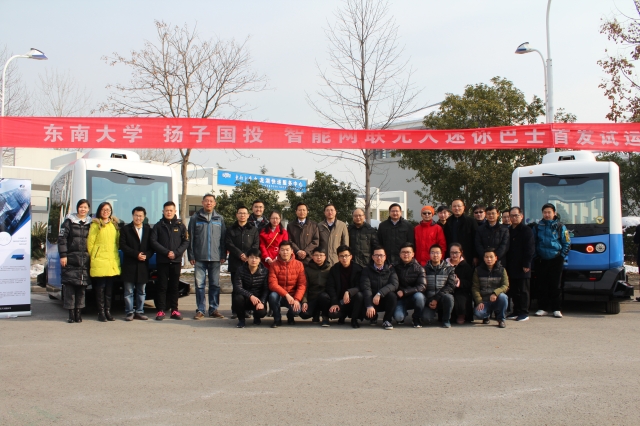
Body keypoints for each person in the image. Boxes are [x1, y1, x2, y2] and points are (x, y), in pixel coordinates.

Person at [188, 194, 226, 320]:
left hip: (215, 257)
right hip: (199, 257)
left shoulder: (219, 218)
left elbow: (223, 238)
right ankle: (200, 310)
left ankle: (213, 309)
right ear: (202, 202)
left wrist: (223, 254)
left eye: (211, 201)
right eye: (206, 201)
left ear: (215, 203)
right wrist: (191, 255)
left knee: (215, 285)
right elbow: (190, 238)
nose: (208, 203)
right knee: (200, 285)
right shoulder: (195, 218)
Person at [151, 201, 189, 321]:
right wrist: (166, 252)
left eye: (171, 210)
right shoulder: (158, 226)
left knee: (174, 286)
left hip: (176, 261)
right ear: (163, 211)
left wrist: (176, 253)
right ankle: (161, 310)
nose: (169, 212)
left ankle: (174, 310)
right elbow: (153, 241)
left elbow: (186, 241)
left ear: (175, 211)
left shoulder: (181, 226)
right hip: (162, 260)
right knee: (162, 286)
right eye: (166, 210)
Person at [532, 203, 570, 318]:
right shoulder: (537, 227)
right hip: (541, 260)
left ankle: (556, 308)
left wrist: (561, 256)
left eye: (549, 212)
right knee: (541, 284)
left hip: (556, 259)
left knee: (556, 285)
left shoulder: (560, 227)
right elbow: (533, 243)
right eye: (545, 212)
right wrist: (536, 256)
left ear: (554, 213)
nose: (547, 214)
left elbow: (567, 243)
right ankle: (542, 308)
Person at [58, 199, 91, 323]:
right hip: (71, 258)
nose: (83, 209)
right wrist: (63, 255)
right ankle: (71, 314)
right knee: (70, 288)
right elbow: (62, 239)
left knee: (81, 288)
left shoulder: (90, 223)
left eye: (85, 207)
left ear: (88, 209)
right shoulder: (69, 222)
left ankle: (78, 313)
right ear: (77, 208)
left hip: (84, 260)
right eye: (81, 207)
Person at [87, 201, 121, 322]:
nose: (106, 212)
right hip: (99, 260)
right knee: (100, 288)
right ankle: (101, 312)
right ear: (99, 211)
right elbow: (90, 243)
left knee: (109, 289)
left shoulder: (114, 225)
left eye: (108, 210)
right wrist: (95, 256)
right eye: (103, 210)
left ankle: (108, 311)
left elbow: (117, 243)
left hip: (111, 260)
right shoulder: (96, 224)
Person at [119, 206, 153, 321]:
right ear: (132, 216)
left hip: (143, 265)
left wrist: (146, 255)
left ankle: (139, 311)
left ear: (144, 217)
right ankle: (129, 312)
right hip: (130, 264)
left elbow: (152, 247)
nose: (138, 218)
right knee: (128, 291)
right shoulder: (126, 229)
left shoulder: (148, 230)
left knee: (141, 291)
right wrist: (136, 254)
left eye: (140, 216)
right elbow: (123, 246)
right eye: (136, 215)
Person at [225, 206, 260, 319]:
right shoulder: (230, 229)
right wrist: (240, 254)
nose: (242, 215)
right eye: (240, 213)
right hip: (235, 262)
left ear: (248, 215)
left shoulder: (253, 230)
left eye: (244, 213)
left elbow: (256, 244)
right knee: (236, 287)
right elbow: (229, 244)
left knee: (248, 287)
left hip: (249, 263)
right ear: (237, 215)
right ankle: (235, 311)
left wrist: (248, 256)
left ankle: (246, 310)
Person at [505, 207, 535, 322]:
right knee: (514, 289)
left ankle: (524, 312)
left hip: (523, 264)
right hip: (511, 264)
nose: (514, 218)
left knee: (523, 290)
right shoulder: (508, 230)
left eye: (516, 215)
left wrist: (527, 263)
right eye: (511, 216)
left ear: (521, 216)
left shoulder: (526, 230)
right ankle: (516, 311)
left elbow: (530, 248)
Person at [268, 240, 307, 327]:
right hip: (280, 295)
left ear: (292, 251)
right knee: (272, 296)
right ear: (279, 251)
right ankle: (277, 319)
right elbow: (272, 284)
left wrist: (297, 299)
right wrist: (286, 294)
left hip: (293, 295)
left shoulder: (299, 264)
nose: (285, 252)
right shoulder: (274, 265)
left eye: (287, 250)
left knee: (297, 310)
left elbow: (302, 285)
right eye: (282, 250)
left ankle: (290, 316)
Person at [360, 246, 399, 330]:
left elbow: (394, 284)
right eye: (376, 255)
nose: (379, 258)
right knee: (368, 316)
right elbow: (366, 288)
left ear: (385, 257)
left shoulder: (391, 269)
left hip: (384, 298)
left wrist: (380, 293)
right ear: (372, 257)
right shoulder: (366, 270)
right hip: (372, 298)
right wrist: (369, 305)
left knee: (392, 296)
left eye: (381, 255)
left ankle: (387, 320)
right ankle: (374, 317)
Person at [326, 245, 364, 328]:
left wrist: (349, 292)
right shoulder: (334, 269)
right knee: (333, 314)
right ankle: (342, 315)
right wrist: (334, 303)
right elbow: (330, 287)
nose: (344, 258)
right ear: (338, 258)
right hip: (340, 300)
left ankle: (354, 319)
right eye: (341, 256)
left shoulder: (358, 269)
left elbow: (360, 286)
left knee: (360, 295)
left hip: (353, 300)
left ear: (351, 256)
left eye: (346, 255)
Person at [472, 247, 510, 328]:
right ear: (483, 258)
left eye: (491, 257)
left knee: (503, 297)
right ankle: (486, 316)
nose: (489, 259)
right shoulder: (478, 270)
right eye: (486, 257)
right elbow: (475, 288)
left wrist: (495, 293)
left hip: (497, 299)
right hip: (484, 300)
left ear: (496, 258)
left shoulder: (502, 270)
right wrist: (479, 301)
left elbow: (505, 285)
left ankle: (501, 319)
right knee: (479, 313)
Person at [392, 243, 427, 328]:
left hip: (413, 296)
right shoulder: (394, 267)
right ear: (400, 254)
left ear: (413, 254)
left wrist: (405, 292)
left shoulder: (419, 268)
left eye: (408, 252)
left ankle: (416, 318)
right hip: (399, 298)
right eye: (403, 252)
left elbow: (422, 286)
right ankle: (403, 313)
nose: (405, 254)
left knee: (420, 297)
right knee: (398, 317)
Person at [232, 248, 269, 328]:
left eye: (256, 258)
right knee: (237, 298)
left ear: (260, 260)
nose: (254, 260)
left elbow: (266, 289)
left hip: (258, 299)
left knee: (261, 312)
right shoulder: (240, 270)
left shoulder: (265, 271)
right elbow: (237, 287)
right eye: (251, 257)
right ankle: (241, 320)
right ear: (247, 258)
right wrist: (250, 296)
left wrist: (262, 302)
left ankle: (257, 317)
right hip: (245, 298)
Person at [423, 244, 456, 328]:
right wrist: (429, 301)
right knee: (426, 319)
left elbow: (450, 286)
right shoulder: (423, 269)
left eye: (437, 253)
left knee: (449, 297)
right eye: (432, 253)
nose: (435, 255)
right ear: (429, 254)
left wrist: (436, 299)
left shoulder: (449, 269)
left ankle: (446, 320)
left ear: (441, 254)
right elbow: (422, 287)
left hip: (442, 298)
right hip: (429, 299)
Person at [301, 248, 332, 326]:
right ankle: (315, 313)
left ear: (325, 257)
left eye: (321, 255)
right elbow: (304, 286)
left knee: (323, 297)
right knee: (304, 314)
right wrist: (304, 301)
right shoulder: (307, 270)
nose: (319, 257)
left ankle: (325, 317)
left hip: (325, 297)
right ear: (312, 256)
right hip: (312, 297)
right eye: (316, 255)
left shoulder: (330, 269)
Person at [447, 243, 475, 325]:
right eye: (452, 252)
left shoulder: (466, 266)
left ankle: (461, 315)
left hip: (461, 290)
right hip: (447, 289)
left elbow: (470, 282)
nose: (454, 255)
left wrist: (458, 282)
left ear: (461, 252)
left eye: (456, 252)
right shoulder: (445, 265)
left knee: (461, 298)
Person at [443, 199, 478, 264]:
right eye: (454, 206)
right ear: (451, 208)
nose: (456, 208)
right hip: (451, 256)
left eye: (459, 206)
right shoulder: (448, 222)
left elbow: (476, 239)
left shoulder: (471, 221)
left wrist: (475, 255)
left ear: (463, 207)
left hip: (467, 255)